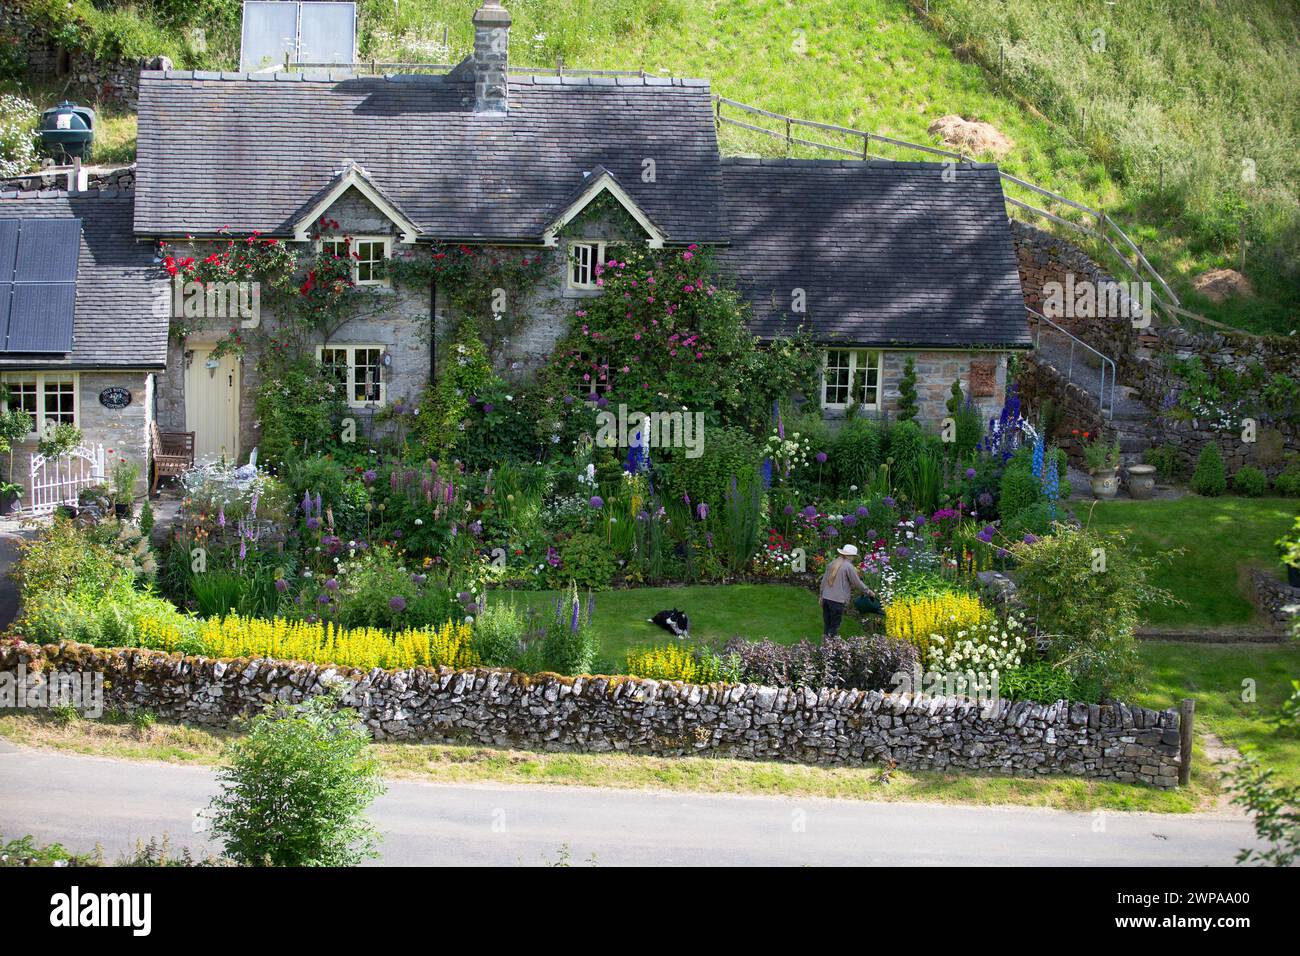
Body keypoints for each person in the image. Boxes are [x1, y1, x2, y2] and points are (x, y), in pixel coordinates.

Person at [818, 544, 876, 638]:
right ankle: (830, 649)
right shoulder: (848, 566)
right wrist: (868, 591)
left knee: (827, 625)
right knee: (834, 627)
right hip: (837, 601)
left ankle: (825, 646)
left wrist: (821, 596)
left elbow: (823, 581)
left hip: (826, 598)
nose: (854, 558)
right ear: (850, 555)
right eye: (853, 556)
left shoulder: (832, 563)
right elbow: (857, 582)